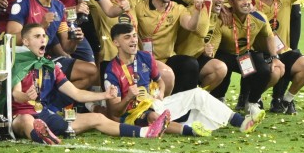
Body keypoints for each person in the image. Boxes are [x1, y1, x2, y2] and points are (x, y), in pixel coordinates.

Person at [105, 23, 265, 136]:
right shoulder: (111, 71)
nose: (133, 40)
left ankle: (241, 122)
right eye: (127, 37)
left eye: (134, 36)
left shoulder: (145, 57)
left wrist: (160, 91)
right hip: (134, 114)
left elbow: (159, 80)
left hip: (154, 103)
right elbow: (115, 111)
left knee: (196, 93)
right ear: (116, 42)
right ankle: (191, 130)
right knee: (154, 118)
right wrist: (128, 97)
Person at [9, 23, 156, 144]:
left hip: (45, 114)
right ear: (26, 41)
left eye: (44, 36)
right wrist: (26, 96)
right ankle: (42, 137)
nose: (43, 40)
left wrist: (104, 94)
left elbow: (77, 94)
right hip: (22, 115)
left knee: (97, 118)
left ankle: (145, 132)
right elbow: (16, 94)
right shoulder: (18, 63)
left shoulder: (51, 66)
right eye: (37, 37)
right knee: (26, 120)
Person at [132, 0, 209, 94]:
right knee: (165, 73)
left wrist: (198, 9)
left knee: (190, 63)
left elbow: (191, 26)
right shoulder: (139, 8)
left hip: (168, 59)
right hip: (145, 60)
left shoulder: (177, 8)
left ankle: (184, 105)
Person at [213, 0, 286, 115]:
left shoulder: (258, 17)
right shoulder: (223, 18)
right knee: (222, 66)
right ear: (231, 2)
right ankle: (219, 99)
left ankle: (251, 102)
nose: (246, 2)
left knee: (265, 71)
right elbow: (214, 47)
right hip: (225, 55)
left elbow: (269, 36)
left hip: (244, 55)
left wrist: (275, 58)